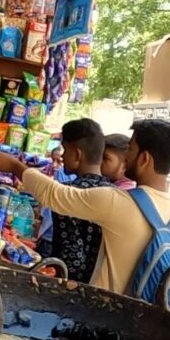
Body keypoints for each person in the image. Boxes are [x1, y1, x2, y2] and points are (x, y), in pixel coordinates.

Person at [0, 119, 170, 294]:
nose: (126, 157)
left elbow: (54, 194)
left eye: (130, 149)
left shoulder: (120, 202)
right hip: (142, 318)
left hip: (105, 312)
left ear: (144, 159)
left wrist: (14, 165)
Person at [43, 119, 115, 283]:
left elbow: (69, 258)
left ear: (77, 154)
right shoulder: (116, 195)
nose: (61, 156)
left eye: (65, 150)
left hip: (68, 287)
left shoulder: (66, 195)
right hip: (100, 286)